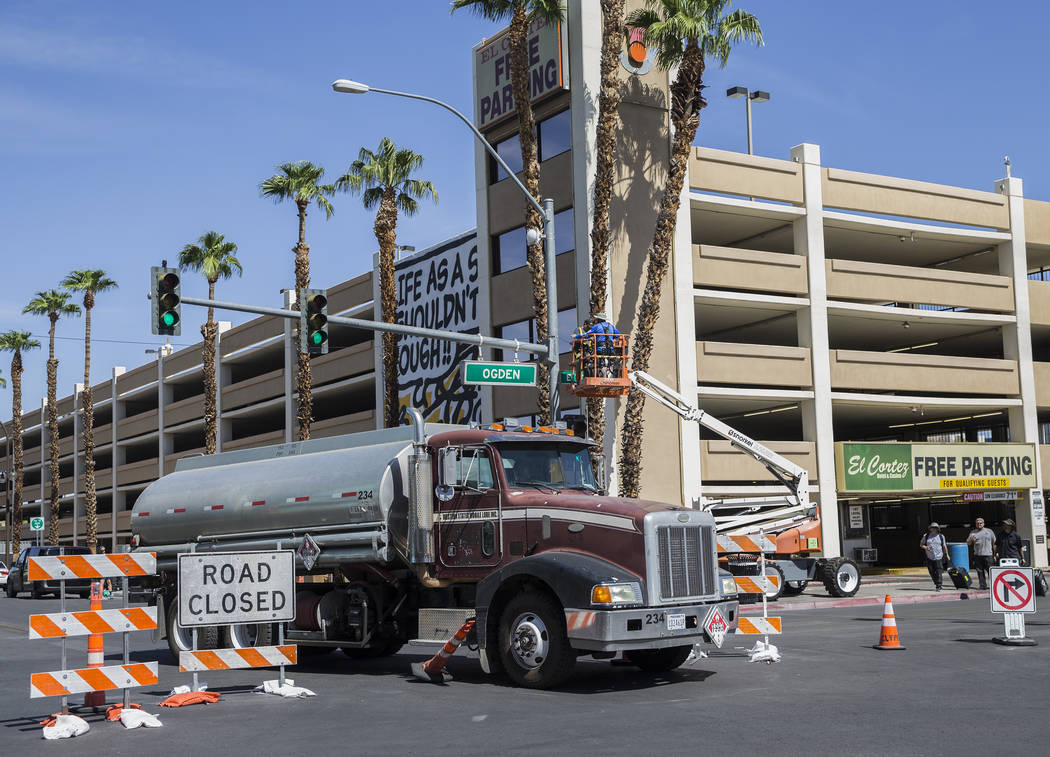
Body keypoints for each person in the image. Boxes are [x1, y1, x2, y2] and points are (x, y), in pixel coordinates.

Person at [584, 312, 622, 377]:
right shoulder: (611, 326)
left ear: (598, 319)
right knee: (611, 362)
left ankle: (602, 374)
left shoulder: (597, 326)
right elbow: (618, 335)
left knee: (597, 362)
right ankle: (610, 374)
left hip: (600, 349)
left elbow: (586, 335)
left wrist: (577, 336)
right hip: (610, 349)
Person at [966, 517, 995, 589]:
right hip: (978, 555)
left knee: (990, 571)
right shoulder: (973, 533)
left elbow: (994, 543)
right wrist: (971, 540)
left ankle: (993, 585)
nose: (979, 524)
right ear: (976, 524)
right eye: (977, 523)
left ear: (983, 524)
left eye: (981, 523)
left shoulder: (989, 531)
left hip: (988, 555)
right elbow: (968, 543)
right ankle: (982, 586)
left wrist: (995, 553)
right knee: (980, 571)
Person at [920, 522, 949, 591]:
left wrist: (947, 554)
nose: (933, 529)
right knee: (931, 572)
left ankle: (939, 586)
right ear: (930, 529)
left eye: (935, 528)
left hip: (939, 557)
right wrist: (926, 547)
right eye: (932, 528)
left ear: (937, 529)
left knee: (939, 571)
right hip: (929, 557)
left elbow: (944, 546)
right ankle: (937, 583)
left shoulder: (941, 536)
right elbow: (921, 544)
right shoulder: (926, 536)